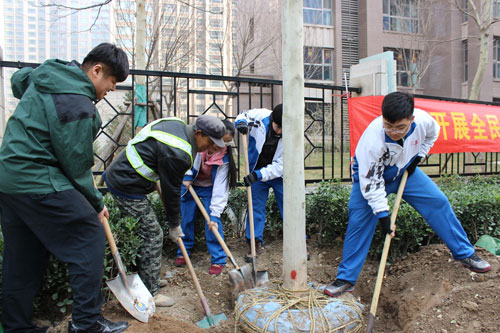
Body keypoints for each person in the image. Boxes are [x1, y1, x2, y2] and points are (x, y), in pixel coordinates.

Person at [0, 43, 130, 333]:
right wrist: (96, 203)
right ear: (96, 70)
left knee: (23, 255)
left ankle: (16, 327)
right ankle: (86, 324)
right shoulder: (77, 103)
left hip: (8, 178)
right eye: (111, 82)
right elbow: (76, 166)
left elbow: (19, 80)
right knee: (89, 235)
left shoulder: (50, 73)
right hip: (36, 176)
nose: (111, 89)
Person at [324, 92, 491, 298]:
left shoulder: (423, 121)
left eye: (400, 127)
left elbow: (433, 134)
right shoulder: (373, 140)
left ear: (411, 119)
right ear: (382, 118)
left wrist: (418, 157)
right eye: (389, 126)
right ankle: (346, 279)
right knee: (359, 222)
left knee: (437, 202)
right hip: (372, 178)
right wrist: (383, 215)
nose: (394, 132)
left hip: (405, 171)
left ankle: (465, 254)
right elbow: (371, 184)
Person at [102, 114, 226, 307]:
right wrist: (175, 224)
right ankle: (151, 292)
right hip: (126, 183)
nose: (210, 149)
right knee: (153, 234)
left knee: (150, 232)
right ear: (199, 133)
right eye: (210, 143)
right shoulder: (179, 152)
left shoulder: (177, 124)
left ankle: (147, 278)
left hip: (130, 177)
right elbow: (172, 192)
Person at [174, 119, 237, 276]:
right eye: (220, 141)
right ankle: (183, 249)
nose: (221, 146)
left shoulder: (224, 159)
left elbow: (220, 188)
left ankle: (218, 258)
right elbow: (185, 160)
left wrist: (215, 213)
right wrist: (187, 176)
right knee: (186, 218)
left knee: (213, 223)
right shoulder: (198, 146)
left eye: (226, 143)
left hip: (210, 189)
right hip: (191, 185)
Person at [235, 104, 283, 262]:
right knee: (255, 207)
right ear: (272, 119)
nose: (280, 132)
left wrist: (259, 174)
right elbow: (243, 115)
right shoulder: (260, 116)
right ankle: (254, 242)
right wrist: (240, 123)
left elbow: (283, 165)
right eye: (277, 127)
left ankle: (298, 243)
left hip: (280, 175)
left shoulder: (293, 132)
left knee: (290, 207)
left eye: (284, 129)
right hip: (256, 168)